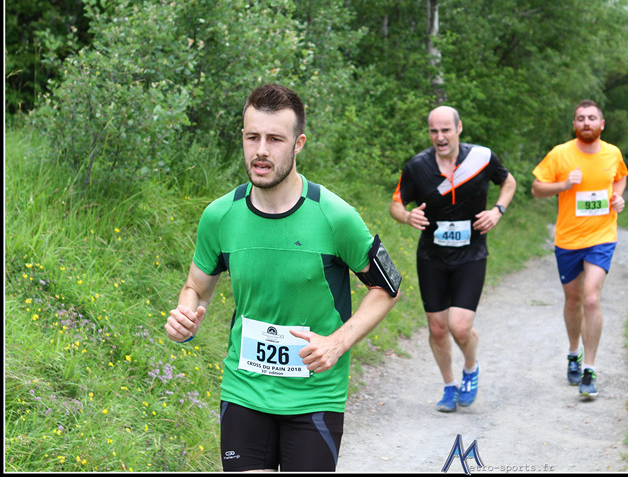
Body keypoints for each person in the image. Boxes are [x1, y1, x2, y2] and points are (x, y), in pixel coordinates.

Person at [164, 83, 401, 472]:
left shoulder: (335, 217)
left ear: (298, 144)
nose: (261, 150)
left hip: (314, 396)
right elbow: (195, 288)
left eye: (275, 139)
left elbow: (387, 288)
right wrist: (185, 316)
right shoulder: (220, 216)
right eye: (252, 137)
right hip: (244, 390)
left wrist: (337, 343)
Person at [390, 105, 517, 412]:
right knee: (437, 328)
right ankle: (449, 386)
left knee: (459, 326)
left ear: (459, 128)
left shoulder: (482, 157)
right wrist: (407, 216)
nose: (440, 137)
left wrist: (497, 211)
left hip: (471, 254)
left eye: (446, 130)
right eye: (434, 131)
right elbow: (395, 204)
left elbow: (509, 182)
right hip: (432, 256)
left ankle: (470, 368)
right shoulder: (417, 166)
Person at [531, 99, 628, 398]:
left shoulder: (613, 153)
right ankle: (574, 352)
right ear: (574, 124)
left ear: (602, 124)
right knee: (573, 302)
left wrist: (617, 197)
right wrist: (563, 185)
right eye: (581, 118)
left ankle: (589, 369)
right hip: (569, 240)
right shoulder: (560, 154)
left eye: (592, 118)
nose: (586, 122)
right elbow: (536, 189)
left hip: (601, 236)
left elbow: (620, 177)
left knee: (591, 300)